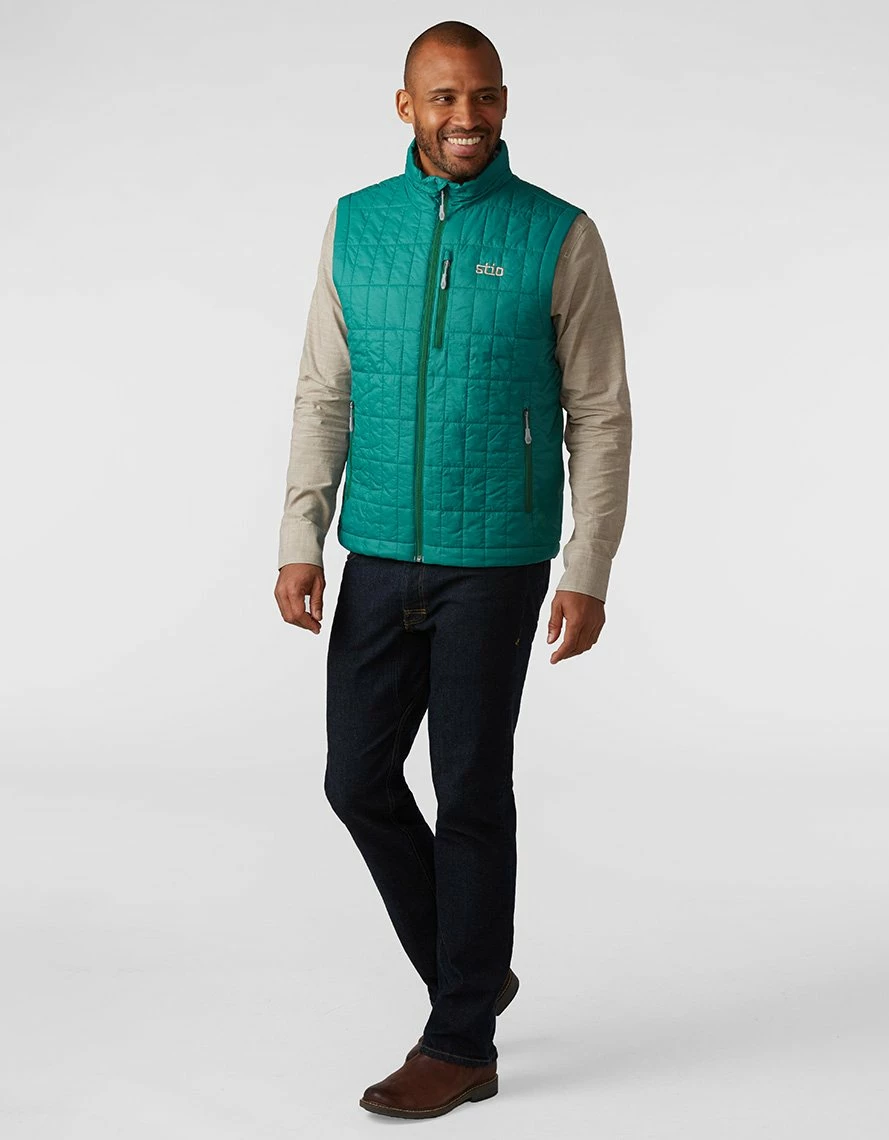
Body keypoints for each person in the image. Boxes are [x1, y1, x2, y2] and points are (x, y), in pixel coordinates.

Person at [274, 20, 632, 1120]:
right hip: (379, 551)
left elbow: (599, 411)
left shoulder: (557, 234)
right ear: (405, 107)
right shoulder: (355, 225)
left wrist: (588, 565)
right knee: (355, 779)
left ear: (504, 102)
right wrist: (299, 536)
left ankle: (461, 1039)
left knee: (471, 788)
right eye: (443, 98)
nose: (465, 117)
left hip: (497, 561)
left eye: (483, 96)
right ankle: (470, 966)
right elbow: (323, 392)